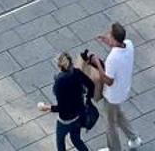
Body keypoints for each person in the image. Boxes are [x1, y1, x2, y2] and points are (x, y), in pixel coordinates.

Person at [86, 23, 140, 151]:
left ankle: (114, 149)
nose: (107, 35)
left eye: (109, 34)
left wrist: (97, 63)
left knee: (110, 124)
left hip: (112, 95)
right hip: (123, 89)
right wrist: (106, 41)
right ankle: (134, 138)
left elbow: (108, 81)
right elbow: (116, 46)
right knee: (119, 114)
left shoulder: (112, 58)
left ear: (115, 39)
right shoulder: (129, 44)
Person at [37, 52, 91, 150]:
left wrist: (45, 107)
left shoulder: (60, 83)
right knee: (76, 139)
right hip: (78, 116)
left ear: (59, 66)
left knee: (60, 141)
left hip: (65, 120)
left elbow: (62, 107)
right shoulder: (77, 73)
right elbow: (91, 85)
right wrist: (87, 100)